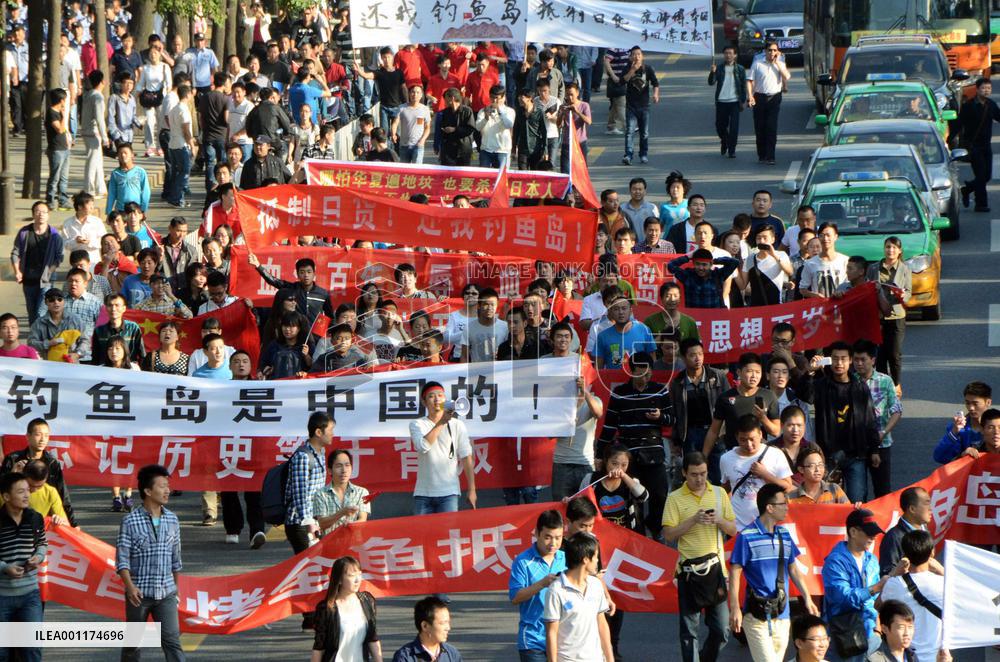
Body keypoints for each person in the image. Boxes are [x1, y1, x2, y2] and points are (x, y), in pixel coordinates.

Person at [728, 483, 819, 662]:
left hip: (782, 614)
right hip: (756, 615)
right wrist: (734, 609)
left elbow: (793, 569)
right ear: (769, 508)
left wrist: (807, 598)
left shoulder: (784, 535)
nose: (787, 507)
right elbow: (735, 573)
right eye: (782, 503)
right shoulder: (746, 536)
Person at [662, 451, 738, 662]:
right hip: (688, 572)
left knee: (722, 629)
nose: (699, 479)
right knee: (689, 631)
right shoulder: (675, 498)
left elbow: (733, 530)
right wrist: (693, 520)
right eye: (694, 474)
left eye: (703, 473)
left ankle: (705, 658)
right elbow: (668, 534)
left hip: (716, 570)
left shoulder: (719, 494)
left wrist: (720, 521)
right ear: (684, 473)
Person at [596, 352, 672, 535]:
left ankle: (655, 529)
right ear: (631, 372)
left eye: (647, 374)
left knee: (660, 495)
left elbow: (672, 420)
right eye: (640, 374)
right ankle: (637, 534)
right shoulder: (620, 393)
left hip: (653, 453)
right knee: (632, 496)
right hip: (627, 456)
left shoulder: (661, 390)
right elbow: (609, 425)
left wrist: (661, 417)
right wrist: (599, 454)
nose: (644, 378)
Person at [115, 464, 184, 662]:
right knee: (132, 645)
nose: (167, 490)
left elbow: (176, 559)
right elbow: (122, 559)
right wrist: (130, 588)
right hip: (139, 594)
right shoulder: (129, 521)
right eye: (162, 486)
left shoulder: (172, 519)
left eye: (167, 486)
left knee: (172, 643)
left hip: (166, 593)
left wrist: (176, 590)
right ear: (147, 490)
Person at [823, 509, 908, 662]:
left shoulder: (872, 560)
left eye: (874, 533)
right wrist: (877, 587)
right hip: (846, 634)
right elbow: (841, 597)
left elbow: (875, 597)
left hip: (871, 634)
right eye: (869, 533)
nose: (873, 537)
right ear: (853, 532)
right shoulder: (835, 561)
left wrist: (877, 626)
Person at [799, 342, 880, 503]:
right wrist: (810, 373)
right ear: (830, 360)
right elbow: (805, 395)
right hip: (828, 454)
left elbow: (869, 419)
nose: (839, 363)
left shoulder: (860, 387)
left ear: (850, 360)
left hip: (855, 454)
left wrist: (874, 449)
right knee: (827, 500)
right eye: (835, 359)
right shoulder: (821, 385)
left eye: (843, 359)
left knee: (857, 500)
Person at [702, 353, 782, 482]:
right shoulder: (725, 398)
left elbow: (776, 431)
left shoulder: (768, 396)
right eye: (749, 371)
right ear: (739, 372)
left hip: (759, 457)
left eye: (758, 372)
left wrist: (763, 418)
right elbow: (714, 430)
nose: (754, 376)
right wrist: (704, 457)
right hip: (733, 455)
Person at [543, 532, 615, 662]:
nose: (598, 561)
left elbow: (602, 624)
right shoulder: (556, 590)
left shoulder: (596, 585)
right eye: (596, 557)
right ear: (585, 559)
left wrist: (610, 659)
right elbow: (551, 633)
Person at [408, 382, 477, 514]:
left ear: (445, 399)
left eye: (440, 395)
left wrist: (472, 489)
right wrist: (442, 422)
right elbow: (422, 446)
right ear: (424, 402)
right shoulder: (417, 424)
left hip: (449, 493)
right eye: (431, 396)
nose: (437, 400)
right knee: (422, 534)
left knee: (448, 534)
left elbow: (466, 456)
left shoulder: (457, 425)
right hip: (423, 493)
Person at [878, 530, 946, 662]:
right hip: (938, 656)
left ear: (904, 554)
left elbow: (878, 605)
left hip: (907, 656)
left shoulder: (894, 584)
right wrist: (942, 570)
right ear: (932, 552)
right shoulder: (944, 583)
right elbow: (962, 590)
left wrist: (894, 573)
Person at [0, 472, 46, 662]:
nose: (27, 495)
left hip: (30, 595)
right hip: (2, 597)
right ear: (6, 496)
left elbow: (42, 543)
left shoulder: (35, 518)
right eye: (21, 492)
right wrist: (4, 567)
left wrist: (39, 557)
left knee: (32, 649)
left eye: (28, 490)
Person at [509, 509, 567, 662]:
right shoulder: (522, 561)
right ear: (537, 533)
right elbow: (515, 597)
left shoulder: (567, 559)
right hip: (533, 640)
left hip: (562, 638)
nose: (553, 543)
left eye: (558, 538)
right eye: (548, 537)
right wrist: (542, 584)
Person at [719, 415, 794, 529]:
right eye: (743, 440)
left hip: (769, 525)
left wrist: (765, 475)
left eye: (752, 439)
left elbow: (788, 487)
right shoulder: (726, 459)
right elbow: (725, 489)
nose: (749, 445)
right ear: (736, 437)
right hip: (739, 527)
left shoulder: (775, 454)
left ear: (760, 435)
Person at [0, 418, 78, 526]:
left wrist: (73, 524)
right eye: (38, 435)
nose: (43, 440)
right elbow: (2, 491)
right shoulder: (13, 459)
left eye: (46, 435)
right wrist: (13, 475)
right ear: (28, 436)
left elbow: (62, 494)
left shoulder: (52, 463)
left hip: (42, 521)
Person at [852, 340, 902, 497]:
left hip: (881, 444)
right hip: (855, 445)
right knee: (857, 493)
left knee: (883, 491)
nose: (859, 364)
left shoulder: (885, 380)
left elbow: (896, 410)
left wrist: (884, 433)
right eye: (855, 360)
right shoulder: (849, 380)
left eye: (863, 360)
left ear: (873, 360)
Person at [311, 556, 383, 662]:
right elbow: (319, 647)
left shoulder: (367, 601)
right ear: (339, 580)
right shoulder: (326, 608)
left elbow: (373, 638)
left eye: (359, 574)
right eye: (351, 575)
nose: (357, 580)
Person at [866, 237, 911, 389]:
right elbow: (867, 288)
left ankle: (896, 384)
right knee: (880, 355)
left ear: (899, 251)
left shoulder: (904, 269)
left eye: (894, 248)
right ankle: (884, 385)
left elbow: (909, 291)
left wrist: (903, 295)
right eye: (888, 247)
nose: (890, 250)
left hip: (897, 315)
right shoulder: (873, 268)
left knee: (895, 353)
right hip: (878, 316)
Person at [12, 201, 65, 326]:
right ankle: (36, 340)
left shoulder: (55, 235)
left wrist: (50, 270)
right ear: (33, 214)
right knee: (32, 314)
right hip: (28, 279)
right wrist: (17, 272)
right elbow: (15, 253)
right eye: (38, 211)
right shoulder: (24, 232)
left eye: (44, 212)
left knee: (40, 313)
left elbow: (59, 257)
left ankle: (39, 341)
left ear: (48, 215)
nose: (41, 214)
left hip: (46, 280)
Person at [551, 375, 603, 502]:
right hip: (562, 464)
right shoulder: (558, 404)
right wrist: (565, 426)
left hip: (585, 464)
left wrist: (584, 392)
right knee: (560, 505)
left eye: (581, 381)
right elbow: (549, 435)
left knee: (585, 507)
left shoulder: (594, 400)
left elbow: (598, 413)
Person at [957, 77, 1000, 212]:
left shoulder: (991, 105)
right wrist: (951, 140)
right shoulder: (969, 106)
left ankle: (967, 189)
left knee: (987, 176)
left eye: (988, 88)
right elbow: (958, 124)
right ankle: (981, 204)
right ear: (977, 89)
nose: (986, 91)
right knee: (981, 175)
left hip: (986, 146)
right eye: (983, 88)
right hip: (973, 146)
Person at [746, 40, 790, 165]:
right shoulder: (757, 64)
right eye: (769, 50)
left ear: (778, 52)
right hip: (759, 97)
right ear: (765, 51)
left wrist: (777, 63)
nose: (772, 53)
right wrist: (750, 96)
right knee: (760, 127)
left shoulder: (780, 64)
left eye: (774, 50)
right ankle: (762, 155)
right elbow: (749, 80)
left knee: (771, 127)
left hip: (774, 97)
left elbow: (786, 76)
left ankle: (771, 156)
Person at [313, 449, 370, 537]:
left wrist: (351, 525)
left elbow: (363, 519)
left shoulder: (362, 492)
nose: (344, 470)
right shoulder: (320, 494)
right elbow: (322, 524)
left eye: (347, 465)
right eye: (338, 466)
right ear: (329, 470)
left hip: (354, 545)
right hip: (330, 546)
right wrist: (342, 513)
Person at [28, 287, 93, 363]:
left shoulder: (75, 320)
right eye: (52, 300)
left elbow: (85, 340)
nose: (56, 302)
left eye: (59, 299)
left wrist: (77, 354)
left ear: (64, 301)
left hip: (71, 365)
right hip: (48, 366)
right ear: (46, 302)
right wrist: (48, 343)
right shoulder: (39, 323)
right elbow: (31, 343)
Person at [933, 381, 993, 462]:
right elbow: (940, 457)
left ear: (988, 402)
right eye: (967, 403)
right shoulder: (958, 428)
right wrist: (962, 455)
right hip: (968, 473)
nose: (971, 408)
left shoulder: (997, 426)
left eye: (975, 404)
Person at [735, 224, 792, 306]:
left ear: (773, 239)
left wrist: (774, 256)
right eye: (758, 238)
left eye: (765, 238)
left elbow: (789, 272)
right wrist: (733, 270)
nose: (761, 241)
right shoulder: (750, 259)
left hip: (776, 306)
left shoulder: (781, 255)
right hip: (756, 308)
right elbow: (742, 285)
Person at [391, 597, 462, 662]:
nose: (448, 628)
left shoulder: (452, 654)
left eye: (448, 622)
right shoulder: (405, 657)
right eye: (443, 623)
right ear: (425, 626)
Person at [594, 294, 656, 369]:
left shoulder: (644, 330)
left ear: (630, 311)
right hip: (614, 379)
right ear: (611, 312)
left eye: (624, 308)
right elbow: (598, 368)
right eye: (616, 309)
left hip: (640, 379)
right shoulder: (602, 336)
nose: (621, 312)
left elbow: (652, 360)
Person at [621, 47, 659, 166]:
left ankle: (643, 154)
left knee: (644, 133)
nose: (636, 57)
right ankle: (628, 155)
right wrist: (632, 70)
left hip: (644, 106)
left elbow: (655, 83)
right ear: (630, 57)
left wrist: (655, 94)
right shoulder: (627, 68)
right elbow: (623, 81)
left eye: (638, 54)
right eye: (634, 54)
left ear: (642, 56)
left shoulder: (648, 69)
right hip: (631, 106)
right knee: (629, 131)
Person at [667, 249, 740, 309]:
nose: (701, 268)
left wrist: (715, 260)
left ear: (711, 264)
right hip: (695, 321)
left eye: (704, 264)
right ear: (693, 263)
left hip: (714, 320)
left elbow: (735, 262)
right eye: (698, 264)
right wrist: (687, 257)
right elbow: (670, 265)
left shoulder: (718, 275)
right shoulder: (688, 275)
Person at [709, 45, 747, 158]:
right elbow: (711, 82)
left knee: (734, 127)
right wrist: (712, 72)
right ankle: (724, 140)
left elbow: (743, 86)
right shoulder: (719, 68)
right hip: (721, 101)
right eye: (726, 53)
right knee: (720, 126)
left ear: (735, 55)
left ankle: (732, 150)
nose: (728, 55)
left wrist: (743, 101)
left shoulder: (740, 69)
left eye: (730, 53)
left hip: (734, 102)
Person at [165, 84, 196, 208]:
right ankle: (176, 198)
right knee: (184, 172)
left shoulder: (173, 109)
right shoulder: (184, 110)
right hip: (181, 144)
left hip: (172, 143)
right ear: (188, 95)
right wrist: (192, 145)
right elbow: (186, 130)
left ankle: (178, 198)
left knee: (177, 172)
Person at [81, 70, 110, 196]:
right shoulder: (98, 97)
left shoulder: (87, 95)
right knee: (92, 162)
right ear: (102, 81)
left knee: (98, 162)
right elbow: (99, 118)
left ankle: (100, 188)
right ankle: (89, 189)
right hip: (93, 133)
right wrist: (105, 137)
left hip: (87, 131)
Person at [800, 223, 849, 298]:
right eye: (822, 235)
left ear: (836, 237)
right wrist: (814, 295)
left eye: (828, 235)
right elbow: (802, 289)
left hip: (841, 305)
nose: (825, 239)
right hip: (821, 307)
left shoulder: (845, 261)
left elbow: (851, 285)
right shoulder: (810, 263)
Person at [460, 287, 508, 363]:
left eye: (493, 305)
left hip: (499, 372)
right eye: (486, 304)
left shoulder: (505, 327)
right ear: (479, 305)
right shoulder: (469, 327)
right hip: (477, 372)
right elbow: (464, 356)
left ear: (497, 305)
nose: (489, 308)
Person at [45, 89, 73, 211]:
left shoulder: (59, 112)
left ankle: (63, 200)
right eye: (65, 100)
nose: (65, 102)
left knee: (64, 177)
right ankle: (50, 200)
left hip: (64, 148)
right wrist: (65, 116)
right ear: (61, 100)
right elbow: (60, 129)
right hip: (56, 149)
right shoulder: (51, 113)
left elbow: (64, 131)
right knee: (55, 176)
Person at [476, 84, 516, 168]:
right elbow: (478, 128)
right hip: (486, 150)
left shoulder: (509, 111)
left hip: (503, 150)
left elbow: (509, 124)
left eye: (497, 98)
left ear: (503, 98)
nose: (494, 101)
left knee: (502, 178)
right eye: (492, 97)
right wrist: (485, 118)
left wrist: (499, 111)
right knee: (484, 178)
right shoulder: (483, 111)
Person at [558, 82, 591, 172]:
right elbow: (559, 125)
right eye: (567, 95)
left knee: (582, 169)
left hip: (580, 142)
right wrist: (561, 114)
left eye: (572, 94)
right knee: (565, 169)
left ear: (577, 93)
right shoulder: (563, 106)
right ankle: (568, 186)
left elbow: (589, 121)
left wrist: (577, 112)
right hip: (567, 142)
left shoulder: (584, 105)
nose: (570, 97)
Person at [438, 88, 476, 166]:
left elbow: (470, 129)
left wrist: (455, 129)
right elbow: (442, 128)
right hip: (448, 148)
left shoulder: (467, 111)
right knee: (448, 174)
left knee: (463, 174)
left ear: (452, 98)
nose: (444, 101)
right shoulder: (446, 112)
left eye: (445, 99)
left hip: (463, 148)